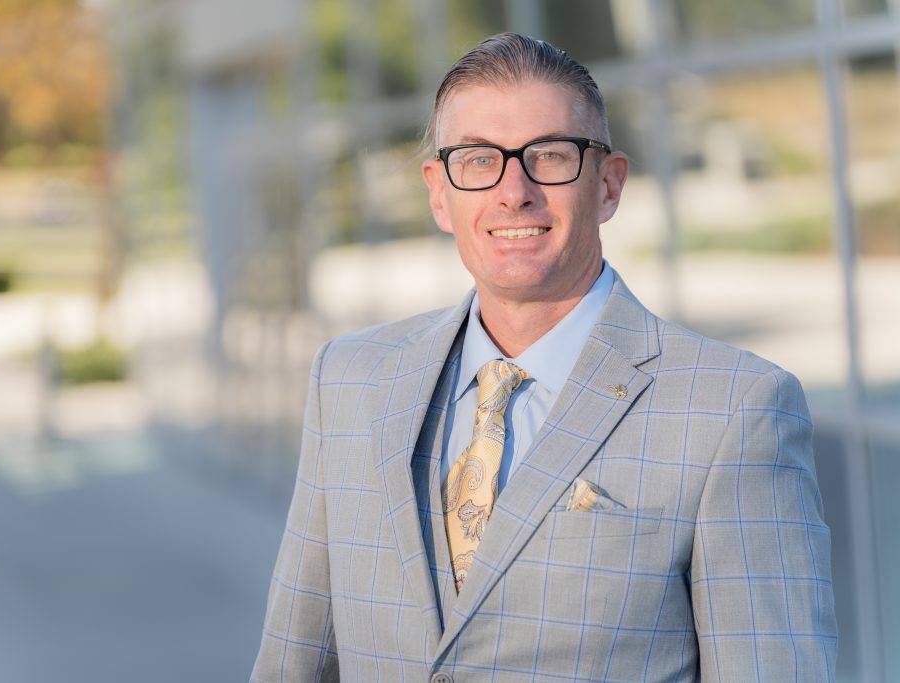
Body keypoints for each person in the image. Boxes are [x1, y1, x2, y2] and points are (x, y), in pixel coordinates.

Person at [252, 32, 836, 682]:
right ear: (439, 192)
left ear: (609, 185)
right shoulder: (349, 382)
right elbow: (292, 660)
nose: (514, 191)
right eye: (478, 160)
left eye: (550, 155)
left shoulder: (735, 410)